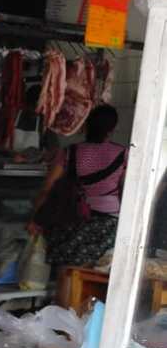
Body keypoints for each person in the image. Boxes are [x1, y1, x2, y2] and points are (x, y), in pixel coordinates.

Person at [30, 104, 127, 269]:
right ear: (112, 128)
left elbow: (48, 189)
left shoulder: (70, 152)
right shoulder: (123, 153)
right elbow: (125, 192)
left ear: (86, 125)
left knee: (68, 272)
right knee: (96, 275)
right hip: (108, 226)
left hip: (71, 220)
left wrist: (36, 220)